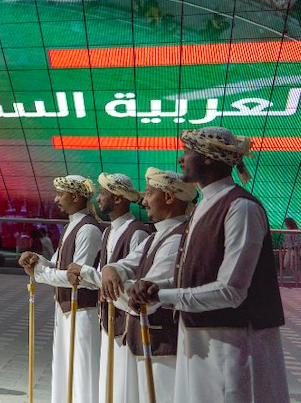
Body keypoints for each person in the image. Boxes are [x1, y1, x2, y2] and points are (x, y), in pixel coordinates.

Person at [129, 127, 289, 402]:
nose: (181, 159)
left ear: (207, 158)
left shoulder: (241, 207)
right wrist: (154, 287)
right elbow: (196, 275)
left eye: (187, 152)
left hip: (233, 346)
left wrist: (162, 295)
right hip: (198, 339)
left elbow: (232, 291)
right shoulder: (205, 206)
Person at [91, 168, 196, 403]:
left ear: (168, 197)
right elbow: (125, 265)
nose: (144, 201)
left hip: (163, 346)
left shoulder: (176, 239)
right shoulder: (156, 236)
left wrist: (107, 283)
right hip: (146, 341)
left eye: (149, 194)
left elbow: (145, 297)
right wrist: (110, 270)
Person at [18, 175, 103, 403]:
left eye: (60, 194)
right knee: (65, 368)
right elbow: (57, 264)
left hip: (84, 311)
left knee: (82, 371)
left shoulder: (88, 230)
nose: (56, 199)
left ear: (75, 197)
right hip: (66, 309)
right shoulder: (70, 226)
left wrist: (39, 273)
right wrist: (36, 260)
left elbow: (77, 277)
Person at [68, 172, 149, 403]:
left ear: (118, 198)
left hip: (127, 324)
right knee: (108, 386)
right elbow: (101, 276)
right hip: (107, 320)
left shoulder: (137, 233)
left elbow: (133, 283)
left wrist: (84, 271)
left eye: (103, 193)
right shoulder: (108, 231)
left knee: (125, 388)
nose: (98, 199)